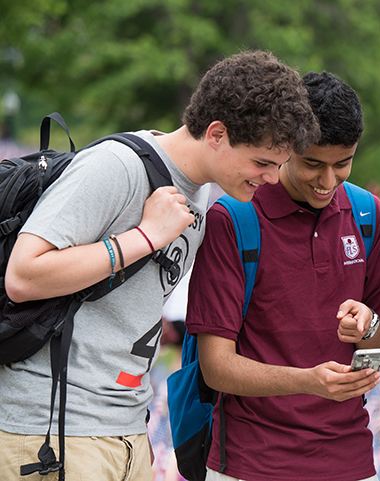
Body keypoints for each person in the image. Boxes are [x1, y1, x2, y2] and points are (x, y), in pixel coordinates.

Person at [0, 50, 319, 481]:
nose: (269, 178)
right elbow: (23, 275)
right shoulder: (117, 167)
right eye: (262, 163)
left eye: (278, 166)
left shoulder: (201, 191)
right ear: (217, 133)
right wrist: (145, 237)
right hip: (53, 428)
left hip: (123, 430)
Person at [185, 71, 380, 481]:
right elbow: (216, 366)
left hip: (349, 459)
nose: (327, 181)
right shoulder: (235, 218)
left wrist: (368, 329)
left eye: (343, 164)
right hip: (252, 463)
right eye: (312, 164)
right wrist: (308, 382)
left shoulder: (368, 215)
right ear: (286, 147)